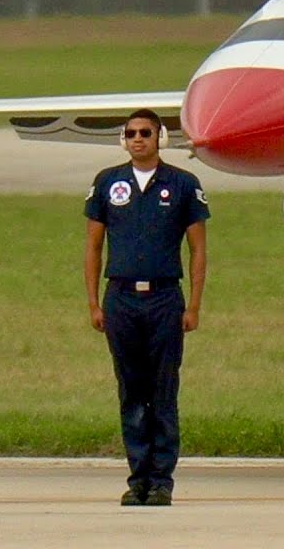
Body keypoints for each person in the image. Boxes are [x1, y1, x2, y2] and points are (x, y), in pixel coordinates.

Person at [84, 108, 209, 507]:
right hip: (120, 297)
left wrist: (194, 305)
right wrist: (93, 302)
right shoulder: (108, 183)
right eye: (131, 133)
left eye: (146, 133)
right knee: (131, 389)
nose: (138, 139)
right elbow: (92, 247)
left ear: (161, 138)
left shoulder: (184, 185)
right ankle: (137, 478)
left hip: (163, 298)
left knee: (163, 388)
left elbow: (198, 249)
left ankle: (161, 481)